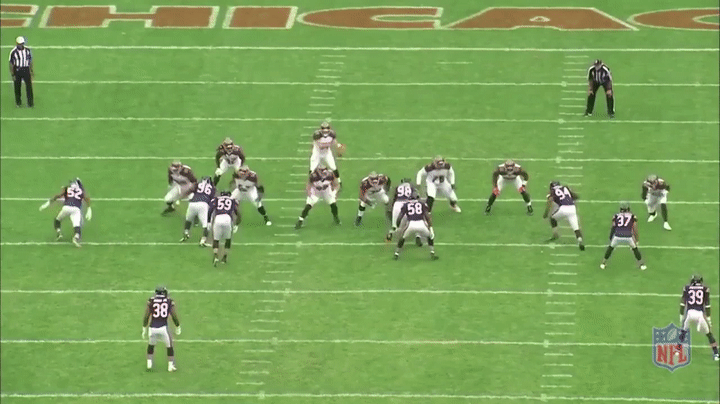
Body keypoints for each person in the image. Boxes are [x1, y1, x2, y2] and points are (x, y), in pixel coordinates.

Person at [39, 178, 92, 247]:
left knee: (57, 220)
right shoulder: (81, 190)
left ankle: (59, 233)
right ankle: (75, 238)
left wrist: (47, 204)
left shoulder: (67, 188)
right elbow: (87, 198)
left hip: (66, 208)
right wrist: (89, 208)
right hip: (76, 209)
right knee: (77, 226)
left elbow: (57, 196)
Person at [142, 286, 181, 371]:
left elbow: (147, 315)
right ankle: (170, 365)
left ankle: (149, 364)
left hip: (152, 328)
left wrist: (144, 327)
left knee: (151, 345)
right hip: (163, 328)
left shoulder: (151, 300)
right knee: (169, 346)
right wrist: (177, 326)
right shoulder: (168, 301)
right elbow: (173, 315)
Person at [600, 202, 646, 270]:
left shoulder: (616, 216)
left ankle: (603, 263)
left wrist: (611, 237)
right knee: (635, 249)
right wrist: (636, 239)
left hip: (617, 236)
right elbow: (634, 229)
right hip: (628, 236)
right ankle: (641, 264)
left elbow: (613, 227)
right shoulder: (632, 216)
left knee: (610, 248)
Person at [8, 36, 33, 108]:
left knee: (29, 87)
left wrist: (31, 70)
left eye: (21, 44)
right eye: (19, 44)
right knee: (17, 87)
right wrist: (12, 74)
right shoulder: (13, 52)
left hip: (26, 70)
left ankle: (30, 103)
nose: (20, 45)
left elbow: (30, 61)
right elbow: (11, 64)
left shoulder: (27, 50)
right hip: (17, 70)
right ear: (17, 43)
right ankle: (18, 103)